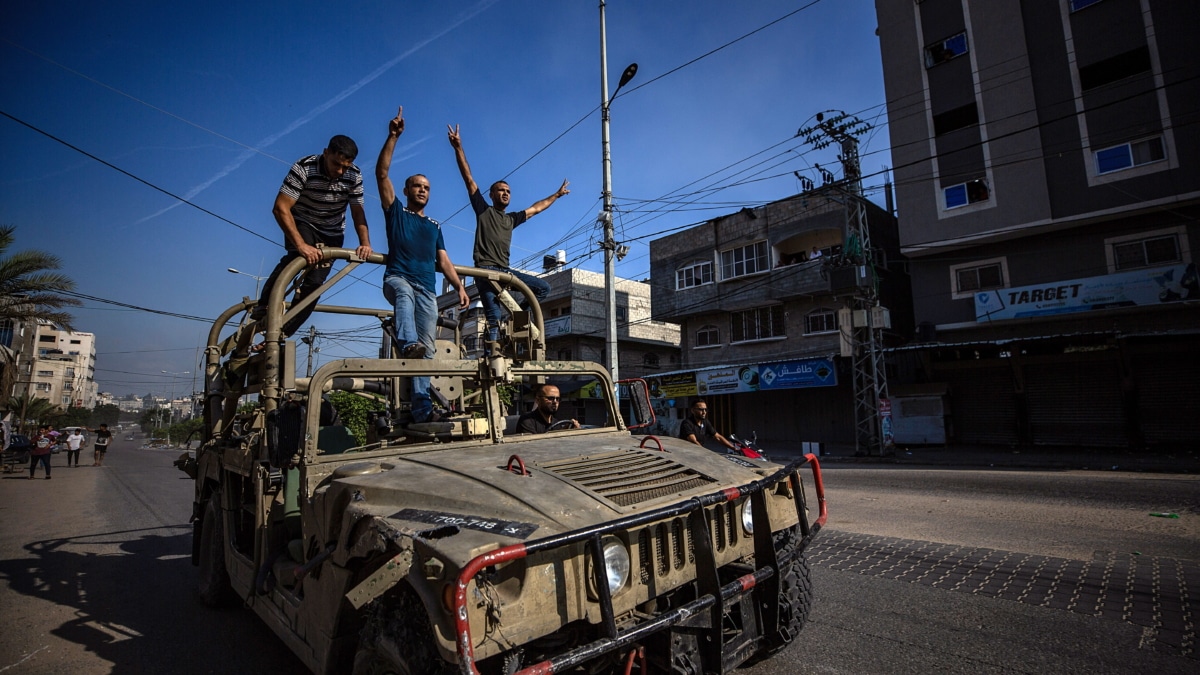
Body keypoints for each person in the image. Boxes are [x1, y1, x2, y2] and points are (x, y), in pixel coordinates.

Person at [376, 106, 470, 423]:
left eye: (427, 187)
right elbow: (382, 174)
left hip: (427, 290)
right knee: (404, 300)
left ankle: (422, 410)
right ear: (407, 190)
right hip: (399, 279)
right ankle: (407, 343)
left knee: (427, 352)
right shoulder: (397, 214)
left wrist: (459, 286)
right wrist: (393, 136)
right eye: (417, 185)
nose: (423, 190)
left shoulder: (433, 226)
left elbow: (443, 260)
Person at [447, 125, 568, 345]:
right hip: (485, 271)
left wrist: (557, 195)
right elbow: (469, 179)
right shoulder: (484, 210)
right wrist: (458, 148)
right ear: (491, 194)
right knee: (492, 320)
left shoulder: (511, 218)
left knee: (543, 288)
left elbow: (536, 208)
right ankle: (491, 352)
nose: (505, 193)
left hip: (505, 271)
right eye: (501, 190)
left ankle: (516, 316)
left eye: (508, 191)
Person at [255, 135, 374, 337]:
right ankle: (264, 305)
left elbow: (357, 212)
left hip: (332, 230)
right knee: (297, 259)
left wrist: (365, 243)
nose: (340, 171)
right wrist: (301, 245)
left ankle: (283, 331)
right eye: (336, 164)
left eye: (345, 167)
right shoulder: (304, 167)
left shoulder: (354, 175)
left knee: (315, 283)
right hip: (304, 221)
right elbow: (281, 208)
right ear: (325, 153)